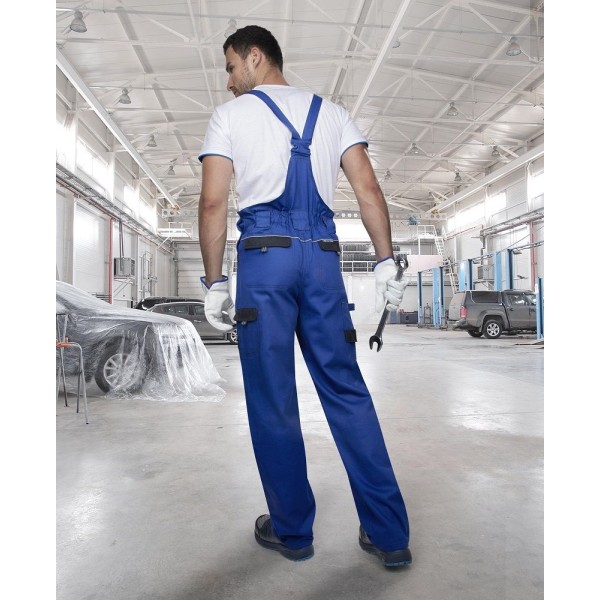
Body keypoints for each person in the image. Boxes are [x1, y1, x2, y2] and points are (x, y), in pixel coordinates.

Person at [197, 25, 411, 568]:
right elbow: (368, 189)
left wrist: (215, 281)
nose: (228, 81)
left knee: (272, 398)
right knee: (346, 390)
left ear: (254, 57)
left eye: (230, 67)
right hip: (322, 261)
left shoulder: (230, 117)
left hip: (265, 263)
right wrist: (385, 260)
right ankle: (389, 535)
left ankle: (293, 531)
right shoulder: (333, 114)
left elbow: (213, 204)